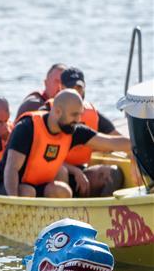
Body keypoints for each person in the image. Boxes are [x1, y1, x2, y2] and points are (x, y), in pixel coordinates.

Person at [0, 89, 131, 198]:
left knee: (62, 191)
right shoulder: (26, 128)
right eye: (74, 115)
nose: (78, 119)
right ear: (57, 111)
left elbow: (111, 142)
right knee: (28, 191)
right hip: (6, 185)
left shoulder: (72, 130)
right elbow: (11, 169)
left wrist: (139, 145)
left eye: (80, 114)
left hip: (37, 184)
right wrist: (14, 202)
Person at [37, 68, 124, 197]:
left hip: (81, 169)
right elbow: (38, 154)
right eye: (72, 88)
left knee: (112, 173)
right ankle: (64, 212)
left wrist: (134, 152)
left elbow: (116, 138)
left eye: (80, 88)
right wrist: (75, 171)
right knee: (62, 171)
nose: (77, 93)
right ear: (61, 88)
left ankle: (101, 210)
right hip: (54, 171)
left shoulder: (91, 114)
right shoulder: (48, 113)